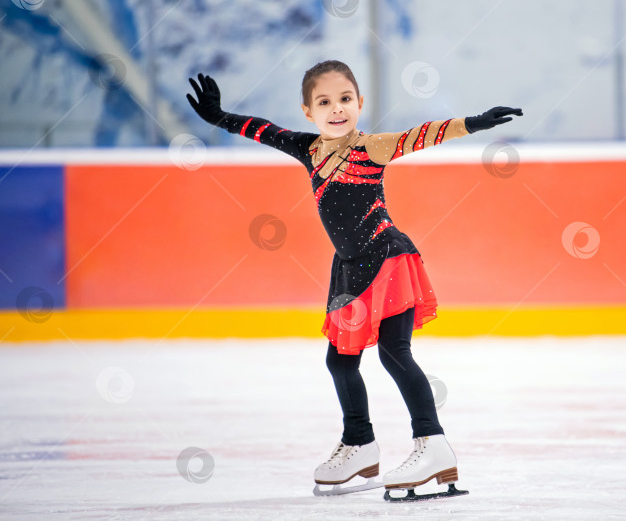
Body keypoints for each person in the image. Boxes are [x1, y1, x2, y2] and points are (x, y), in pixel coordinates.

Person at [186, 60, 522, 498]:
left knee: (394, 353)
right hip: (349, 270)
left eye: (345, 99)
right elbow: (263, 129)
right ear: (308, 110)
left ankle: (433, 443)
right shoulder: (307, 149)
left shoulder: (372, 148)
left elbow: (420, 135)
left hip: (387, 260)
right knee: (340, 362)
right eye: (324, 102)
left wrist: (473, 123)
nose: (337, 108)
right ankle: (360, 443)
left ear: (359, 103)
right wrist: (219, 117)